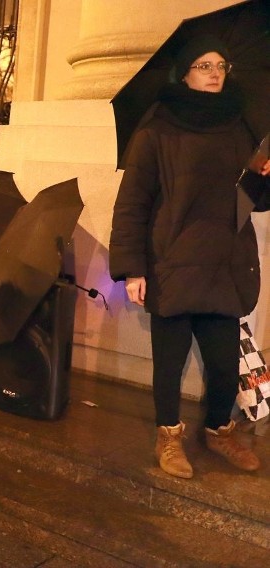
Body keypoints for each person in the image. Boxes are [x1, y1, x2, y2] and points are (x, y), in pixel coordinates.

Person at [109, 35, 270, 479]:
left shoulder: (242, 126)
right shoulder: (156, 130)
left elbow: (252, 199)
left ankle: (218, 431)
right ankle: (168, 435)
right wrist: (132, 269)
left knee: (223, 365)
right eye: (204, 65)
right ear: (184, 73)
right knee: (170, 363)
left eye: (220, 64)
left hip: (224, 262)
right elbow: (133, 203)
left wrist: (265, 177)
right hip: (172, 263)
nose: (216, 72)